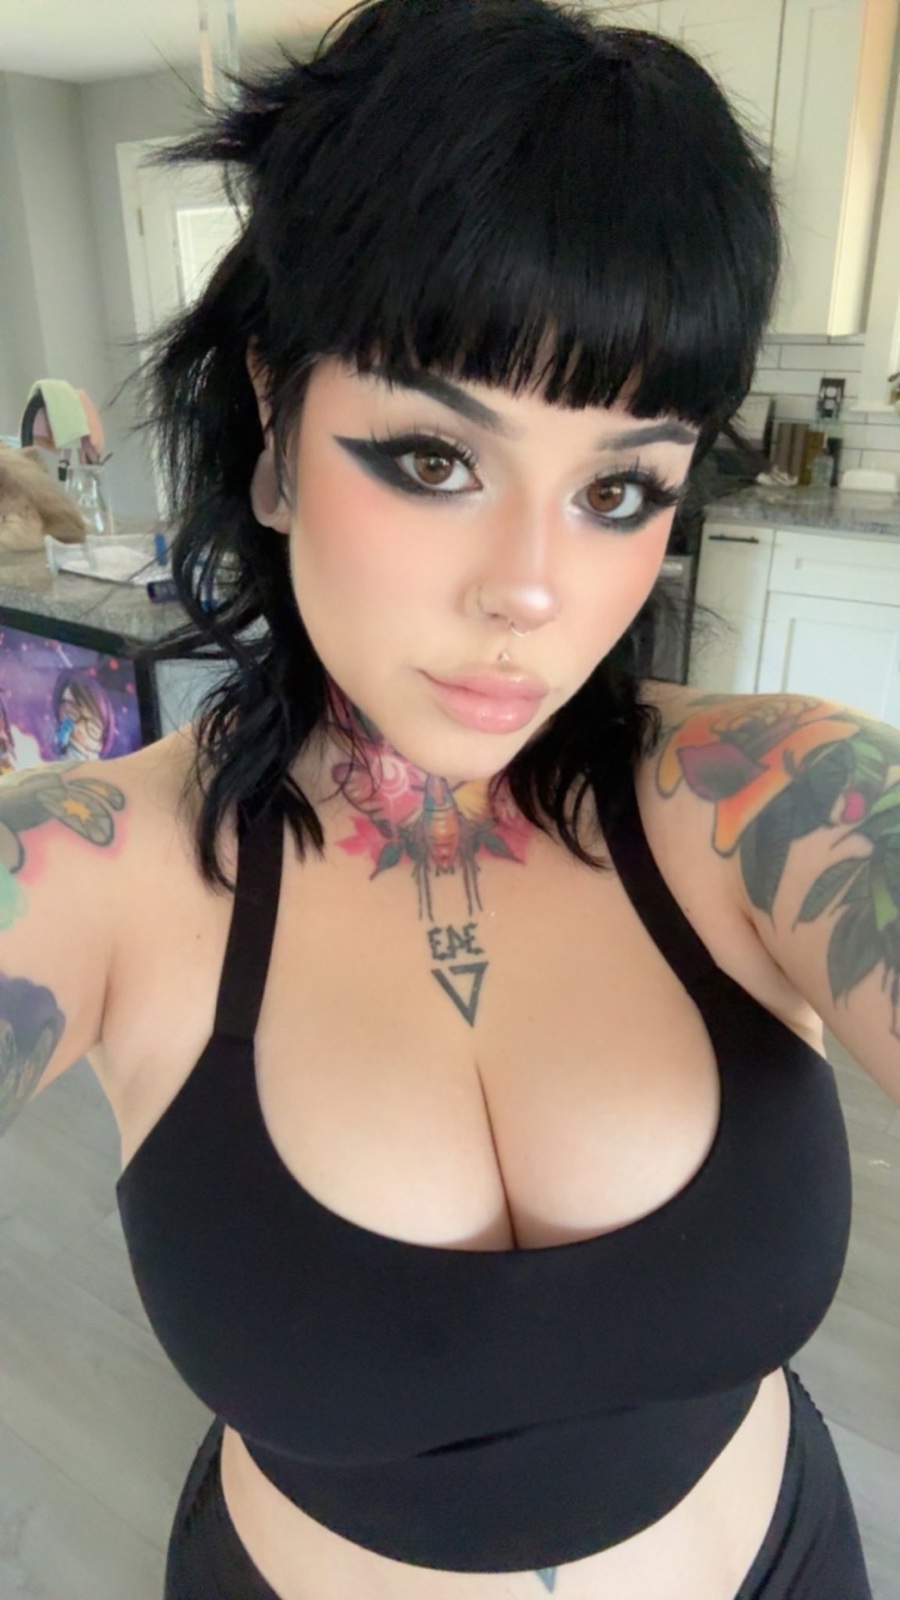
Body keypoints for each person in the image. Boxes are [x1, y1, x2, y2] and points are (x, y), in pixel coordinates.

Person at [1, 1, 894, 1596]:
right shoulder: (95, 870)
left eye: (620, 488)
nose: (532, 590)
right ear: (277, 423)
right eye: (433, 460)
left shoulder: (776, 801)